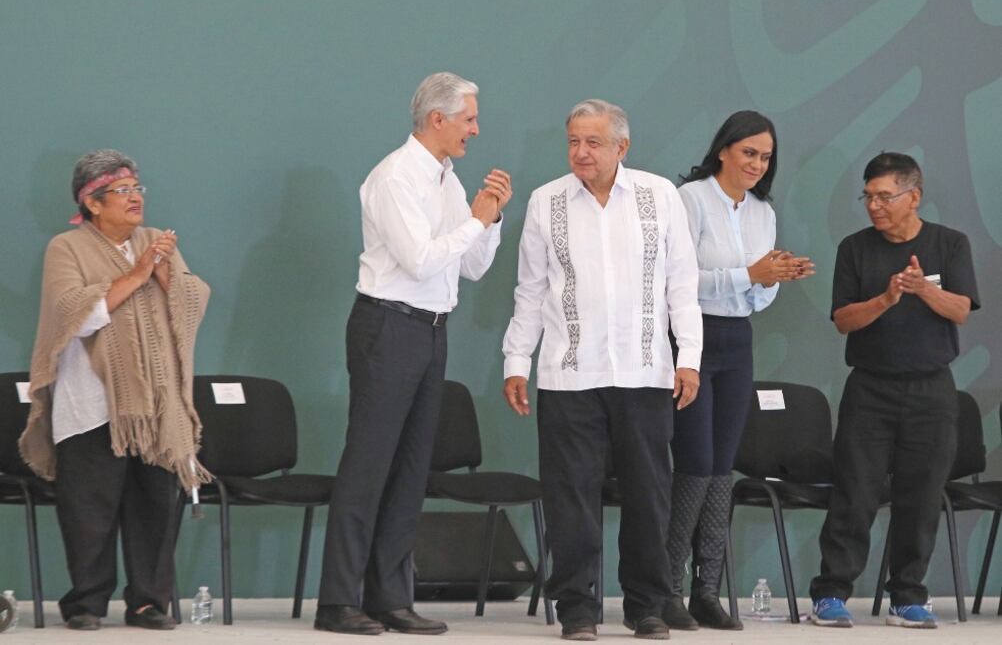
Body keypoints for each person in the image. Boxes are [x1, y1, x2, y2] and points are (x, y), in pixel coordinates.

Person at [314, 72, 512, 636]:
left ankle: (389, 597)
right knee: (369, 464)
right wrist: (475, 219)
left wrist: (489, 219)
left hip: (430, 329)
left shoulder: (449, 180)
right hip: (388, 326)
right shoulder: (395, 177)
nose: (476, 128)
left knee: (410, 469)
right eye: (469, 118)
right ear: (438, 120)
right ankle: (337, 602)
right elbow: (422, 261)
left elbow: (470, 266)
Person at [503, 99, 702, 641]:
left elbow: (682, 284)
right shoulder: (547, 202)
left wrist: (688, 359)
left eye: (593, 142)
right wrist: (516, 360)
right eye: (573, 142)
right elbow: (531, 291)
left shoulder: (659, 195)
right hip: (569, 374)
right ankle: (577, 609)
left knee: (647, 495)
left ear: (622, 147)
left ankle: (646, 607)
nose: (581, 152)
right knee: (571, 497)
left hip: (645, 373)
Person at [19, 149, 211, 631]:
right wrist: (138, 273)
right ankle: (86, 602)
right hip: (91, 402)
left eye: (137, 189)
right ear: (92, 202)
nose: (134, 199)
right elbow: (73, 314)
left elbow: (190, 303)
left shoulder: (155, 241)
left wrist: (166, 275)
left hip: (156, 405)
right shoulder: (67, 248)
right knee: (90, 509)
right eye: (121, 191)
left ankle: (149, 601)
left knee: (154, 507)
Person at [809, 152, 979, 629]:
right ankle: (831, 594)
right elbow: (843, 320)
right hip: (870, 388)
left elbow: (962, 309)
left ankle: (908, 595)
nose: (875, 206)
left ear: (914, 196)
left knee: (921, 496)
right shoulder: (855, 248)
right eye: (868, 196)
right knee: (854, 493)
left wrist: (923, 289)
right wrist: (886, 298)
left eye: (885, 196)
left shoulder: (949, 244)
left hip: (932, 391)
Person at [665, 111, 814, 630]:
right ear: (725, 148)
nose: (756, 164)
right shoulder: (691, 199)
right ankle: (671, 588)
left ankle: (708, 589)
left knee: (724, 462)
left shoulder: (762, 211)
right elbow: (680, 280)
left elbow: (758, 297)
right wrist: (748, 274)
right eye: (749, 152)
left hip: (737, 337)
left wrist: (773, 278)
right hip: (691, 335)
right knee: (695, 459)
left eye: (765, 157)